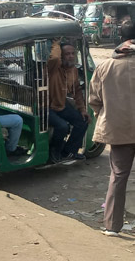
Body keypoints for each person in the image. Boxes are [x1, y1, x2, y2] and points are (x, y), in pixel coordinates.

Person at [89, 21, 135, 237]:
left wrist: (108, 118)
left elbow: (94, 100)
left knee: (118, 176)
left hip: (118, 131)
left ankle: (112, 226)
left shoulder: (105, 66)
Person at [47, 39, 89, 164]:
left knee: (83, 121)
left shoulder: (74, 70)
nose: (71, 56)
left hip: (61, 106)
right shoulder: (54, 67)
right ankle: (54, 152)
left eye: (72, 53)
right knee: (62, 126)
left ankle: (68, 152)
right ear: (61, 55)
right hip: (46, 107)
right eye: (67, 54)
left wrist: (82, 109)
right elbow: (54, 58)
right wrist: (55, 42)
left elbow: (77, 91)